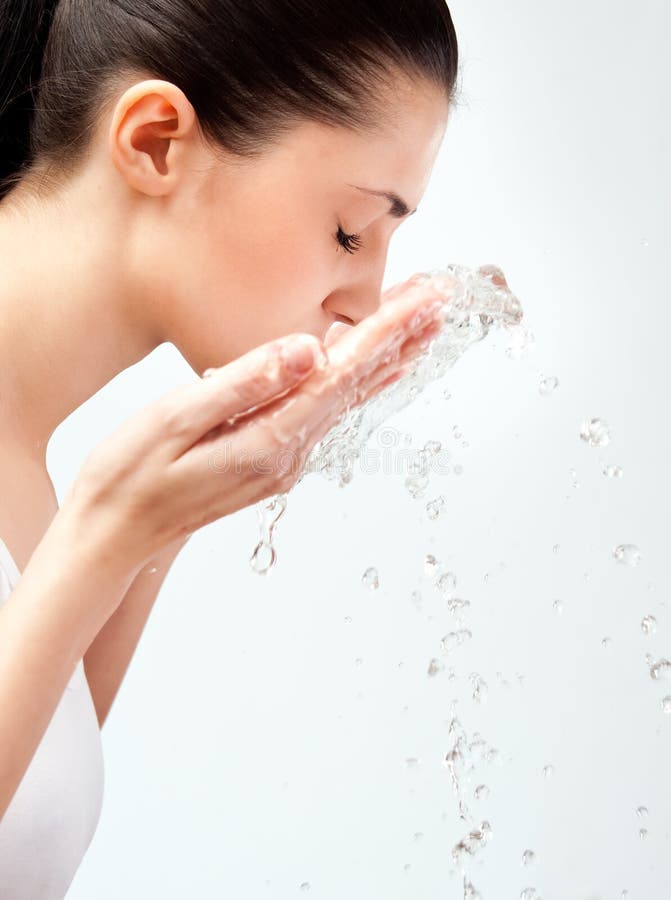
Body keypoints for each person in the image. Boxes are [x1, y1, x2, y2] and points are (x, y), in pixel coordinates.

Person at [0, 0, 459, 895]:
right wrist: (108, 536)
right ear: (157, 140)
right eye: (348, 232)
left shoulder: (23, 470)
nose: (365, 303)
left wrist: (160, 523)